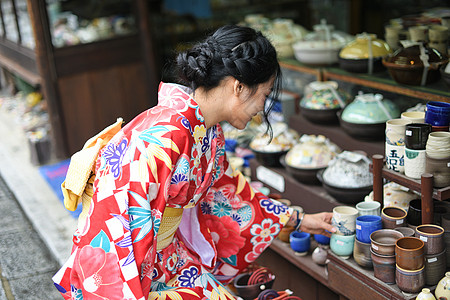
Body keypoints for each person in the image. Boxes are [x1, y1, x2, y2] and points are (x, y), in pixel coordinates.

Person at [53, 24, 336, 300]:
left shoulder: (206, 131)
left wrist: (297, 219)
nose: (261, 109)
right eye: (263, 95)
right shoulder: (167, 137)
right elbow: (118, 225)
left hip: (167, 260)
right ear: (238, 87)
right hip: (132, 275)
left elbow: (224, 192)